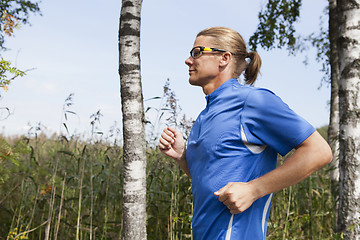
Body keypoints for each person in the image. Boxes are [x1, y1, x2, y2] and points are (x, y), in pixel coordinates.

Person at [158, 27, 332, 240]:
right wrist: (182, 157)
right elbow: (211, 181)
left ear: (224, 58)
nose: (188, 60)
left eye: (197, 52)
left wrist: (254, 189)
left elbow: (319, 151)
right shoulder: (204, 116)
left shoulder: (253, 101)